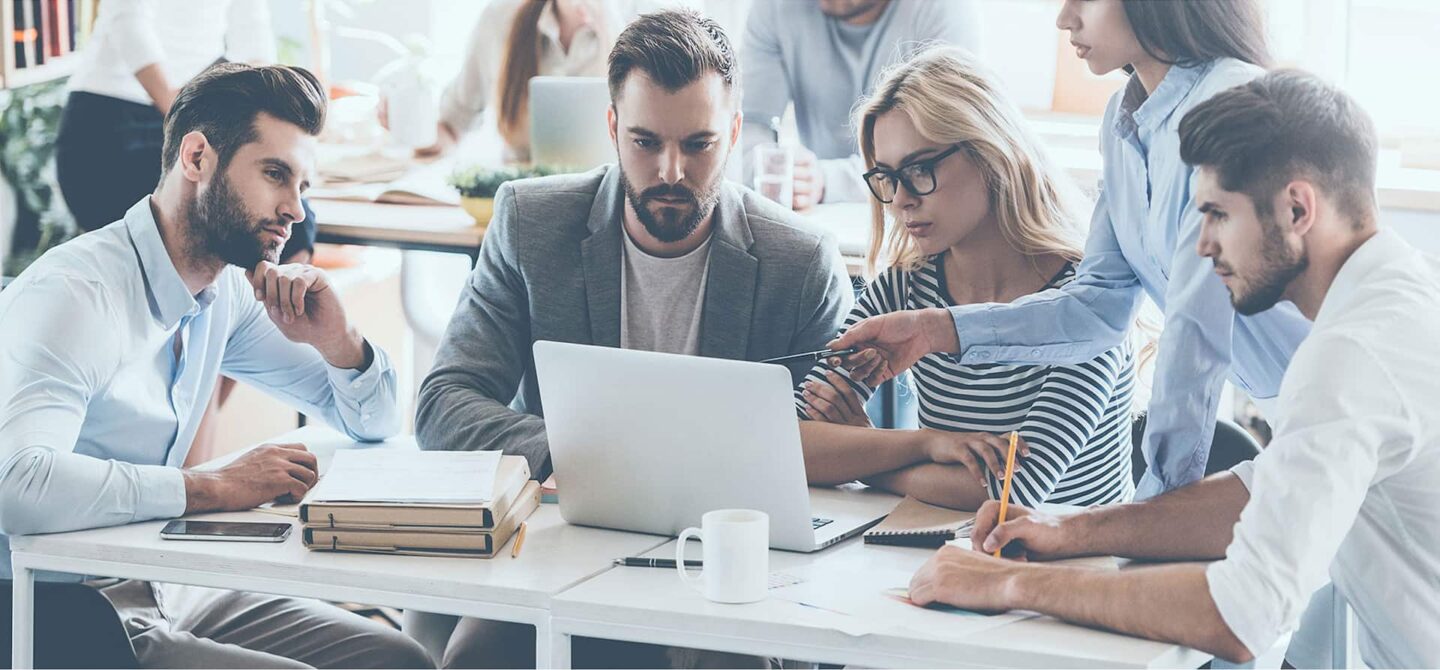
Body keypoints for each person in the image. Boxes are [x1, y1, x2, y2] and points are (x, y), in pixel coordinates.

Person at [907, 69, 1440, 669]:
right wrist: (1071, 529)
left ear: (1296, 208)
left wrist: (1004, 585)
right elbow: (1263, 492)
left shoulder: (1350, 355)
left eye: (1215, 215)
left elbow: (1242, 614)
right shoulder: (1404, 293)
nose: (1203, 246)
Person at [409, 10, 851, 668]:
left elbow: (826, 443)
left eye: (698, 144)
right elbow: (444, 403)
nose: (671, 170)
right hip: (569, 541)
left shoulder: (801, 261)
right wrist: (587, 455)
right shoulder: (533, 223)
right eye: (646, 142)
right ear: (612, 128)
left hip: (730, 561)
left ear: (734, 133)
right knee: (480, 657)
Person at [0, 63, 429, 669]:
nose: (295, 211)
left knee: (394, 659)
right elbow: (16, 487)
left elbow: (376, 423)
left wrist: (342, 342)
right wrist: (211, 487)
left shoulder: (222, 293)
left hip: (159, 582)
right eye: (276, 175)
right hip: (56, 613)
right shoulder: (76, 296)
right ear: (197, 157)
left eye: (302, 185)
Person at [829, 0, 1309, 500]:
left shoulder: (1226, 104)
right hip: (1295, 407)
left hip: (1335, 395)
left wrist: (1155, 513)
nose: (1064, 19)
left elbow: (1196, 340)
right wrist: (936, 329)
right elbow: (1096, 307)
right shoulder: (1123, 122)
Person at [797, 46, 1136, 511]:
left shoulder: (1088, 304)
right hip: (949, 554)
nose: (900, 200)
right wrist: (928, 443)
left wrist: (863, 452)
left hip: (1080, 569)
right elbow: (796, 444)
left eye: (920, 169)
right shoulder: (906, 289)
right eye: (887, 177)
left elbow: (1011, 490)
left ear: (989, 152)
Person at [55, 0, 317, 261]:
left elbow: (252, 33)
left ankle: (283, 299)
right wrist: (186, 111)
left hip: (191, 112)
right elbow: (128, 21)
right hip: (109, 122)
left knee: (297, 230)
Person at [740, 0, 981, 209]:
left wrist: (828, 181)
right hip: (824, 215)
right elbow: (747, 124)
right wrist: (779, 172)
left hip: (919, 208)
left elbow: (947, 153)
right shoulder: (772, 8)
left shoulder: (944, 9)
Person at [414, 0, 616, 161]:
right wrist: (411, 129)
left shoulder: (630, 19)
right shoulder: (500, 19)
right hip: (520, 195)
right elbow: (451, 125)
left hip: (607, 197)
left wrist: (607, 30)